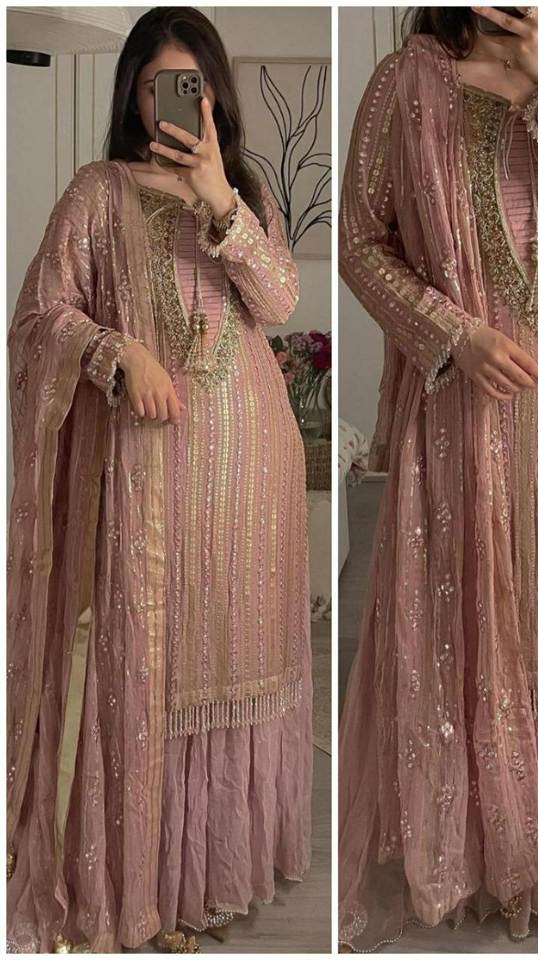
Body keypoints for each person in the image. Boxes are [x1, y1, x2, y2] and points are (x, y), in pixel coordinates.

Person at [338, 5, 538, 950]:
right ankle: (491, 851)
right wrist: (453, 333)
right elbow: (359, 242)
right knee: (492, 624)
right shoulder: (406, 83)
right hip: (471, 410)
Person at [7, 7, 312, 953]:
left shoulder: (243, 191)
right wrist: (115, 353)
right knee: (149, 672)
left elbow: (280, 299)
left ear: (215, 92)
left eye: (193, 84)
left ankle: (211, 880)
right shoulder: (98, 192)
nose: (176, 102)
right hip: (145, 478)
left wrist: (220, 196)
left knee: (232, 664)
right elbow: (35, 320)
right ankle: (142, 890)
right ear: (133, 96)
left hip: (249, 472)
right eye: (157, 86)